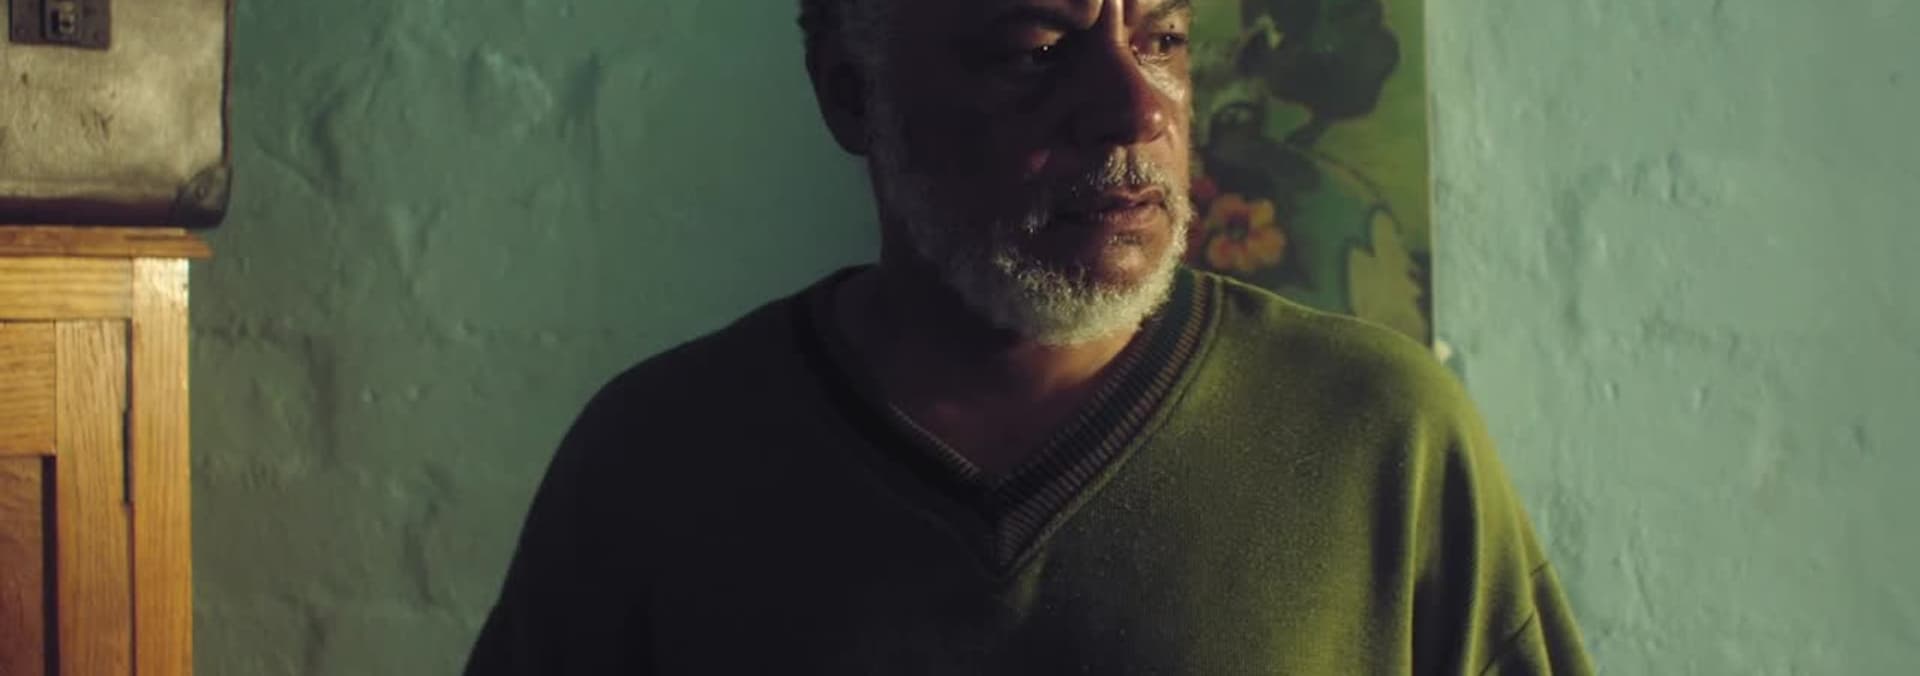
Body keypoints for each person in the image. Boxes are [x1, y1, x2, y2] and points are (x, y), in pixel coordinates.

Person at [464, 0, 1593, 673]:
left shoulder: (1383, 437)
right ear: (851, 94)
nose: (1137, 110)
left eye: (1161, 38)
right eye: (1036, 49)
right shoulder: (658, 463)